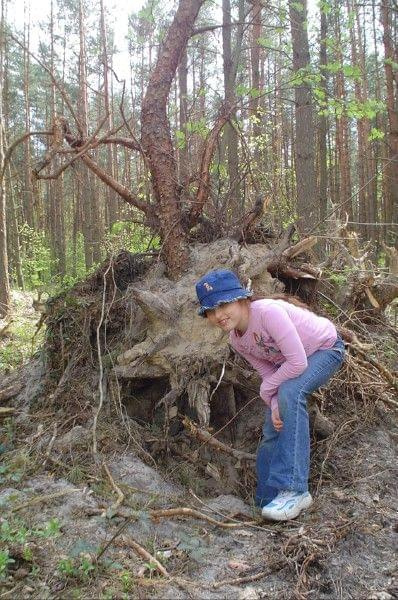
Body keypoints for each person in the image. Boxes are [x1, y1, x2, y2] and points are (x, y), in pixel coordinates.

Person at [195, 269, 345, 521]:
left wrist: (269, 392)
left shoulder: (267, 312)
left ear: (241, 299)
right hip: (289, 367)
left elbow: (296, 364)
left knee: (291, 390)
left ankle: (296, 490)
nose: (218, 315)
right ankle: (266, 500)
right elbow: (269, 372)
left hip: (325, 350)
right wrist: (274, 404)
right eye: (210, 310)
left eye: (223, 304)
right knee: (274, 425)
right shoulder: (236, 339)